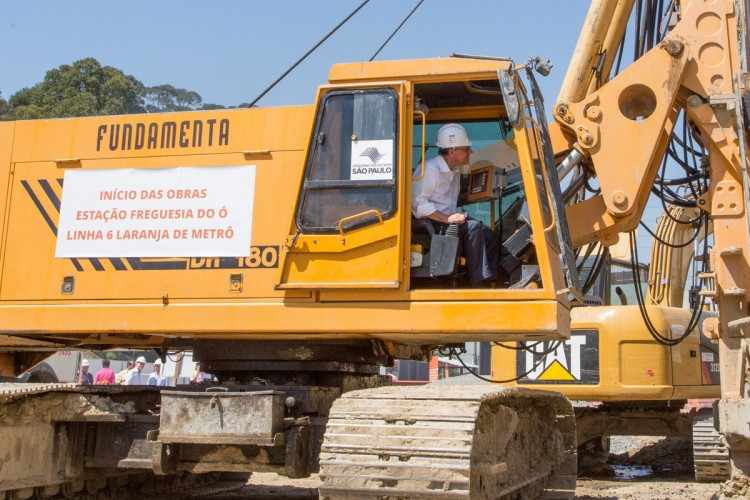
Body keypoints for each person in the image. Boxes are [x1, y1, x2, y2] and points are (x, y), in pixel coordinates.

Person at [412, 123, 499, 285]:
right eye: (466, 149)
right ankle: (478, 283)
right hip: (434, 222)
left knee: (489, 234)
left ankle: (493, 280)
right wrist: (447, 219)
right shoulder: (430, 169)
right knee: (474, 228)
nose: (470, 152)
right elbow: (418, 205)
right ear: (452, 151)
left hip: (448, 220)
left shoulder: (455, 171)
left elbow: (452, 201)